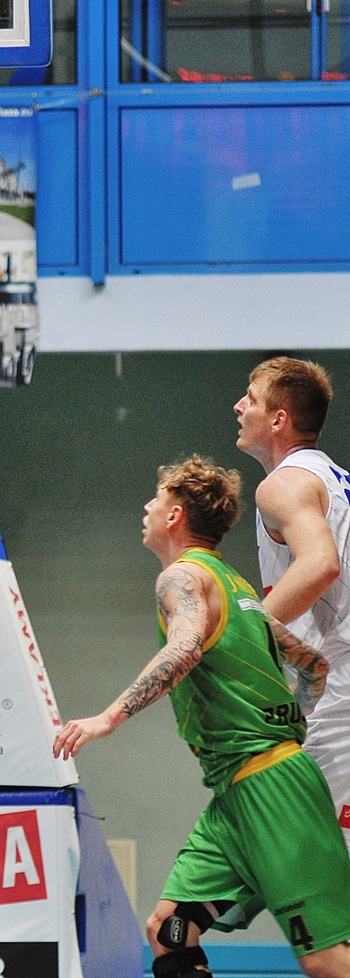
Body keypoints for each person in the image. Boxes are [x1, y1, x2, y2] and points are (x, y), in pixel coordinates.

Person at [54, 455, 350, 978]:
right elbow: (314, 665)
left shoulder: (181, 577)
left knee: (326, 960)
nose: (147, 507)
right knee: (168, 931)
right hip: (236, 791)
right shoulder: (239, 590)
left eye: (156, 498)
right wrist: (290, 712)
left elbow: (185, 647)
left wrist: (108, 718)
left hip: (271, 785)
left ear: (174, 515)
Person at [234, 356, 350, 850]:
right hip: (332, 684)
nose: (238, 406)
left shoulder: (283, 483)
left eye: (251, 398)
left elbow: (320, 563)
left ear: (279, 419)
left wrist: (243, 632)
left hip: (340, 692)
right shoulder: (334, 478)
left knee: (325, 862)